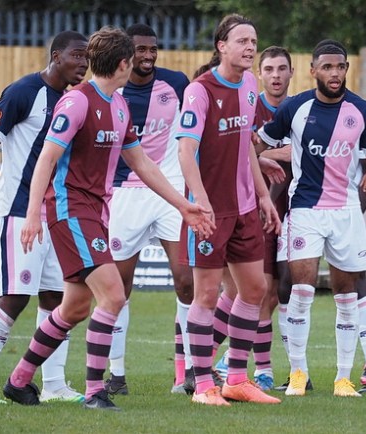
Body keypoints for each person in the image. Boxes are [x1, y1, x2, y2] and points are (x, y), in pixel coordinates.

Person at [1, 26, 214, 411]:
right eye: (133, 59)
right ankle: (96, 391)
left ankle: (18, 381)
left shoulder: (118, 106)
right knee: (114, 295)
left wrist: (182, 205)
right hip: (70, 212)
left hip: (96, 213)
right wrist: (34, 214)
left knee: (75, 308)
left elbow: (141, 162)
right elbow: (46, 159)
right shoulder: (77, 103)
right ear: (122, 63)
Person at [0, 31, 89, 405]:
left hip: (53, 216)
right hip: (16, 212)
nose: (83, 64)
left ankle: (55, 385)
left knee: (57, 299)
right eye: (77, 56)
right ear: (56, 55)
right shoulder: (23, 91)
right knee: (14, 298)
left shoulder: (75, 100)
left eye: (88, 58)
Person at [258, 39, 366, 397]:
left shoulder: (361, 110)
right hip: (305, 210)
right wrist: (260, 162)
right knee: (300, 291)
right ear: (313, 70)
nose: (335, 73)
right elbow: (256, 143)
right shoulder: (295, 108)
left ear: (346, 69)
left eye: (340, 67)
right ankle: (298, 373)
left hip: (345, 211)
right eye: (327, 67)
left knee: (347, 296)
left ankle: (343, 378)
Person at [176, 13, 282, 407]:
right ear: (222, 46)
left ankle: (236, 378)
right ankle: (203, 386)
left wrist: (264, 196)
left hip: (244, 208)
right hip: (210, 212)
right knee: (205, 295)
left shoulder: (250, 84)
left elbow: (244, 149)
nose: (250, 47)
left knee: (255, 288)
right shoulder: (199, 91)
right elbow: (185, 151)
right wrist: (199, 204)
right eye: (242, 41)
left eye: (253, 40)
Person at [102, 23, 195, 397]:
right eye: (141, 49)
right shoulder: (114, 91)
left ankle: (191, 370)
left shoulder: (177, 84)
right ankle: (117, 374)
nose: (148, 55)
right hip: (125, 195)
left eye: (153, 49)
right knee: (118, 290)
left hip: (171, 192)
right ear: (126, 54)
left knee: (187, 281)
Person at [211, 45, 294, 391]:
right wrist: (277, 152)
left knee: (274, 292)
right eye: (269, 69)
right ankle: (251, 367)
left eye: (282, 69)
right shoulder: (248, 104)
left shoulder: (300, 108)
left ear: (292, 73)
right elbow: (238, 148)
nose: (276, 75)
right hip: (250, 208)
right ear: (260, 74)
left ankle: (232, 361)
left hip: (292, 209)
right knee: (248, 291)